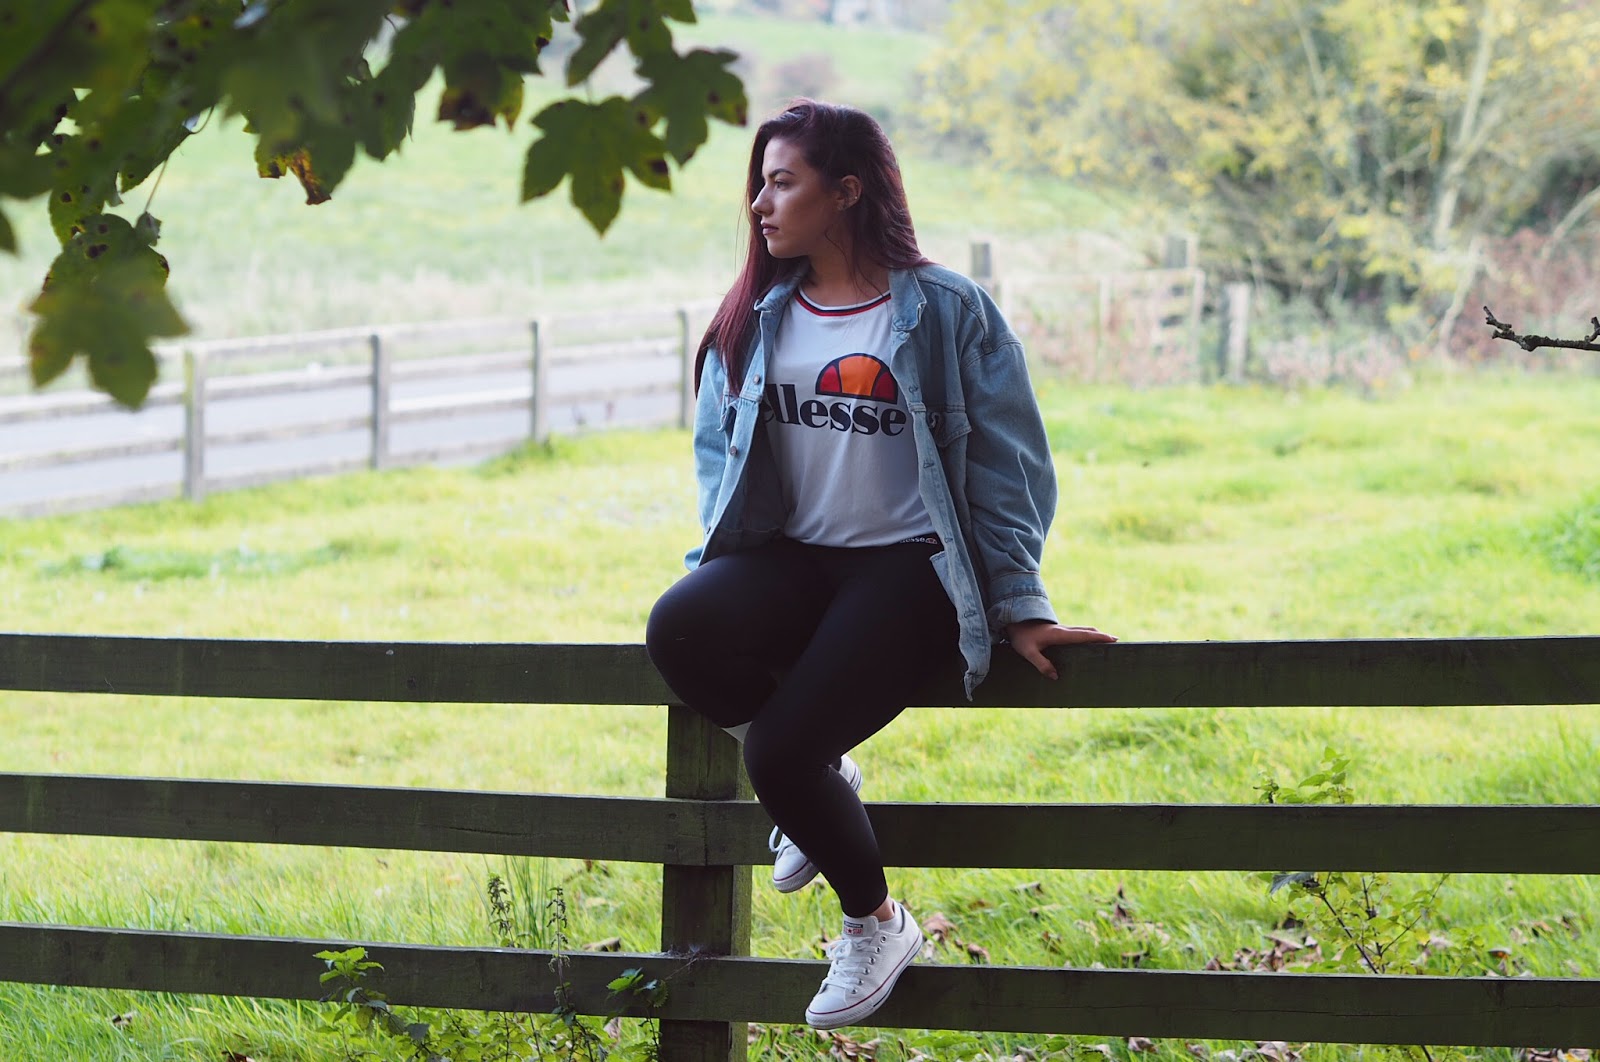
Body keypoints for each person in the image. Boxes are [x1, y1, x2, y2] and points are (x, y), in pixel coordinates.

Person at [644, 99, 1116, 1030]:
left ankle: (875, 924)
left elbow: (1010, 465)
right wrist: (716, 578)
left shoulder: (947, 310)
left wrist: (1020, 604)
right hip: (798, 561)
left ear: (846, 192)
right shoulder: (755, 316)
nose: (760, 205)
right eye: (760, 184)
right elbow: (718, 460)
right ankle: (822, 782)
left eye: (783, 183)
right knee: (679, 627)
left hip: (909, 571)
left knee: (779, 751)